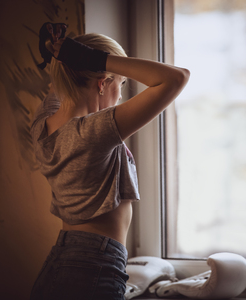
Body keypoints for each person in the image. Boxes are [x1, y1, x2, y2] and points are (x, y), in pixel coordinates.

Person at [29, 27, 189, 300]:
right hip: (92, 265)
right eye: (121, 83)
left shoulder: (43, 125)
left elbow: (63, 85)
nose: (121, 95)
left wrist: (63, 53)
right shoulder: (91, 132)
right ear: (102, 83)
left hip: (64, 259)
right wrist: (99, 60)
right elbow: (176, 78)